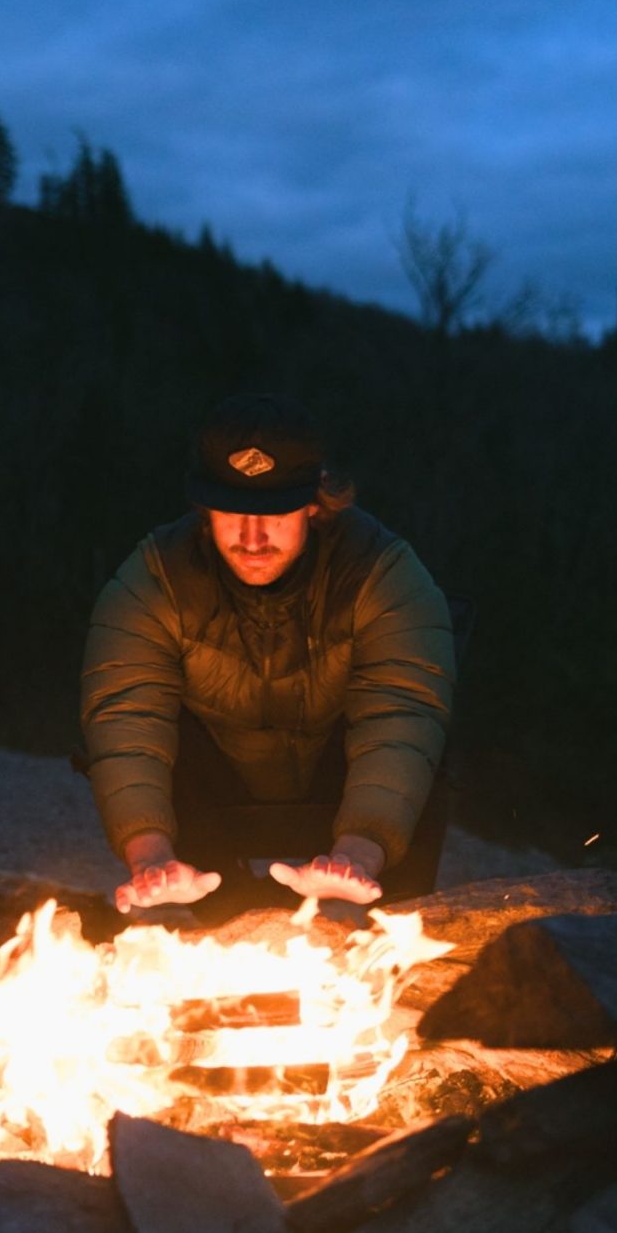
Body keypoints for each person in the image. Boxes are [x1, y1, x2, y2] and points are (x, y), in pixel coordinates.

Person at [80, 393, 455, 917]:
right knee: (139, 723)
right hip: (215, 788)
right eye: (232, 511)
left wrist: (358, 849)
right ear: (204, 508)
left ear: (313, 503)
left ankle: (387, 926)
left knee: (431, 738)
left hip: (337, 779)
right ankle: (216, 904)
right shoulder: (155, 577)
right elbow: (126, 714)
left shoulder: (382, 572)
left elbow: (401, 713)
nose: (252, 536)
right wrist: (150, 855)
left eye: (274, 512)